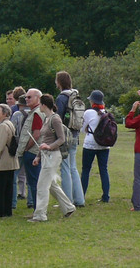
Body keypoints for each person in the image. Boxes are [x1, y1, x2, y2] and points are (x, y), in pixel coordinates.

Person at [30, 94, 77, 221]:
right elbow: (44, 140)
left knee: (42, 186)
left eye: (40, 104)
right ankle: (68, 207)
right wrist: (38, 156)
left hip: (53, 155)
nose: (39, 106)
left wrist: (49, 147)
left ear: (44, 105)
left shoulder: (55, 119)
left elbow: (61, 139)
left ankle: (40, 215)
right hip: (46, 155)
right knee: (51, 185)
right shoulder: (47, 118)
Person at [55, 71, 85, 207]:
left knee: (65, 168)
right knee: (73, 167)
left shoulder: (61, 98)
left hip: (65, 135)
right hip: (75, 134)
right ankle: (79, 199)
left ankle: (67, 200)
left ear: (59, 82)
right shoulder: (76, 96)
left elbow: (58, 118)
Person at [81, 90, 111, 203]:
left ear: (92, 101)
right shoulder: (105, 112)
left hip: (90, 144)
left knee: (86, 170)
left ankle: (81, 195)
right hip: (104, 145)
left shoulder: (88, 112)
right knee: (104, 170)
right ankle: (106, 196)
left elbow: (82, 128)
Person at [17, 89, 45, 209]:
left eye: (30, 97)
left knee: (34, 182)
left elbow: (36, 133)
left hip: (32, 152)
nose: (26, 99)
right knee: (34, 181)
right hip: (33, 151)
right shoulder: (35, 112)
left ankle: (37, 209)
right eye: (26, 97)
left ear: (38, 98)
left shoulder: (37, 113)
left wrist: (26, 149)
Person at [0, 104, 18, 217]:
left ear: (5, 114)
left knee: (0, 188)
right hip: (10, 162)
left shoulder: (3, 126)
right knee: (8, 187)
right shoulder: (9, 124)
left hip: (3, 161)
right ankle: (7, 211)